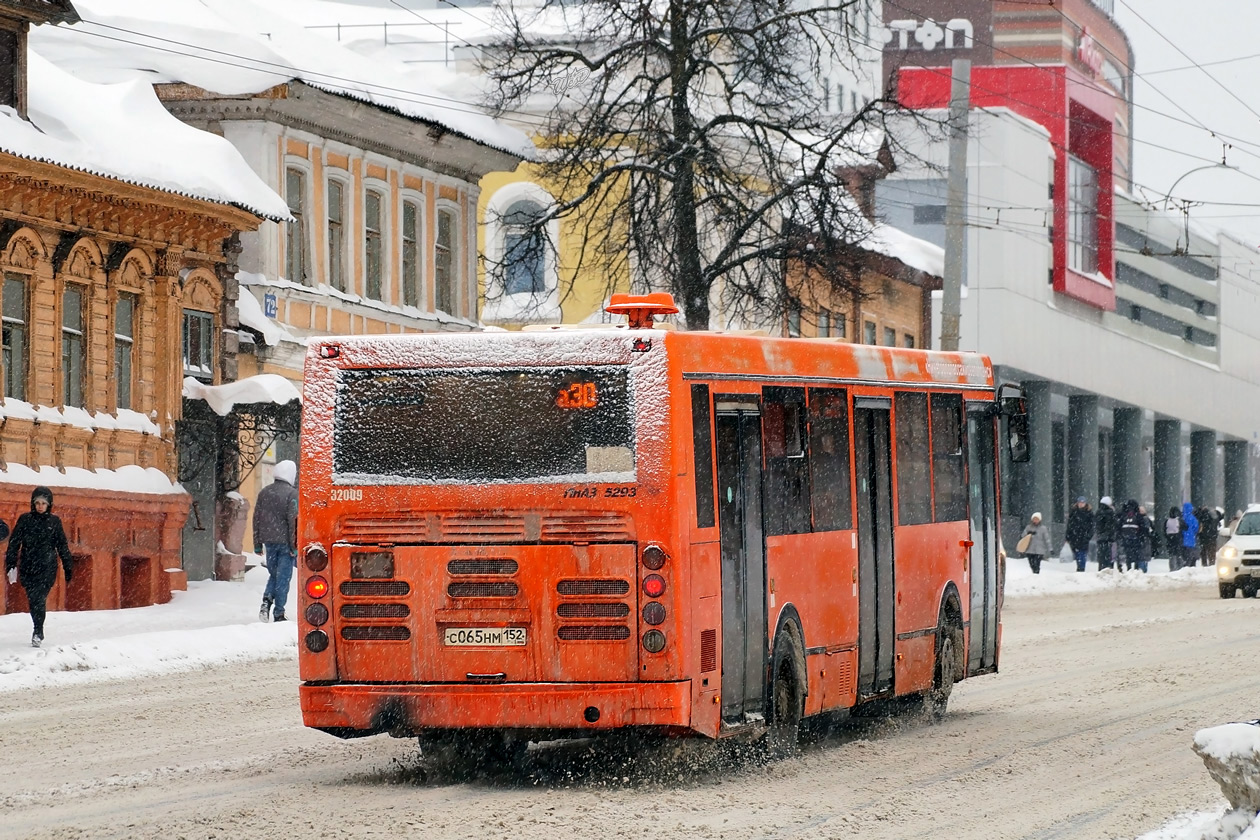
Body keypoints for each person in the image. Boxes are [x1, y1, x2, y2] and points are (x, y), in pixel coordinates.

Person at [4, 487, 71, 647]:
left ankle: (37, 631)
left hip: (47, 567)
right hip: (28, 566)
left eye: (44, 503)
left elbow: (62, 545)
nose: (40, 506)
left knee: (39, 599)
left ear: (49, 505)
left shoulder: (54, 522)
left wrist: (68, 566)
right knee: (33, 600)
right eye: (38, 503)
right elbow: (14, 543)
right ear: (33, 504)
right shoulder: (25, 520)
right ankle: (38, 628)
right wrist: (11, 564)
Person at [254, 460, 299, 622]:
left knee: (274, 574)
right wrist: (294, 546)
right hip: (286, 543)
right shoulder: (292, 494)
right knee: (283, 577)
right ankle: (279, 612)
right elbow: (293, 521)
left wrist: (257, 543)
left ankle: (266, 602)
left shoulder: (264, 492)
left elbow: (256, 518)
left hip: (269, 542)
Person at [1119, 499, 1151, 574]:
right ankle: (1136, 571)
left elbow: (1119, 527)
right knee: (1137, 555)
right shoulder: (1138, 515)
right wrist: (1142, 537)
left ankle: (1128, 568)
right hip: (1136, 539)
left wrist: (1122, 537)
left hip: (1126, 539)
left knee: (1128, 555)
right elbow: (1143, 528)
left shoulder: (1123, 515)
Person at [1066, 497, 1094, 573]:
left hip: (1084, 536)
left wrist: (1088, 535)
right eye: (1080, 503)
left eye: (1082, 503)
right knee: (1076, 552)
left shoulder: (1089, 513)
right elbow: (1070, 525)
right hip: (1074, 536)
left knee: (1082, 552)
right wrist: (1068, 535)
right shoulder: (1073, 512)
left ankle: (1081, 567)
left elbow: (1092, 526)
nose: (1081, 504)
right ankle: (1079, 566)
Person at [1095, 496, 1117, 570]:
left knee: (1101, 556)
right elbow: (1112, 526)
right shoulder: (1110, 513)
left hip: (1100, 537)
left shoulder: (1098, 512)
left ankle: (1101, 568)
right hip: (1108, 538)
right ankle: (1108, 569)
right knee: (1108, 556)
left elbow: (1096, 525)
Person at [1180, 502, 1199, 573]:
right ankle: (1190, 568)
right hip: (1191, 540)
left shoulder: (1181, 517)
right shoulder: (1193, 518)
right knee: (1190, 556)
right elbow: (1196, 528)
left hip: (1182, 540)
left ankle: (1183, 567)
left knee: (1183, 556)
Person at [1164, 507, 1183, 571]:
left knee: (1172, 555)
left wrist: (1168, 537)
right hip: (1178, 539)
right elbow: (1186, 527)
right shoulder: (1179, 521)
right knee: (1179, 554)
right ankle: (1180, 568)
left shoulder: (1167, 521)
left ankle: (1172, 568)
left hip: (1170, 540)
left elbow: (1164, 530)